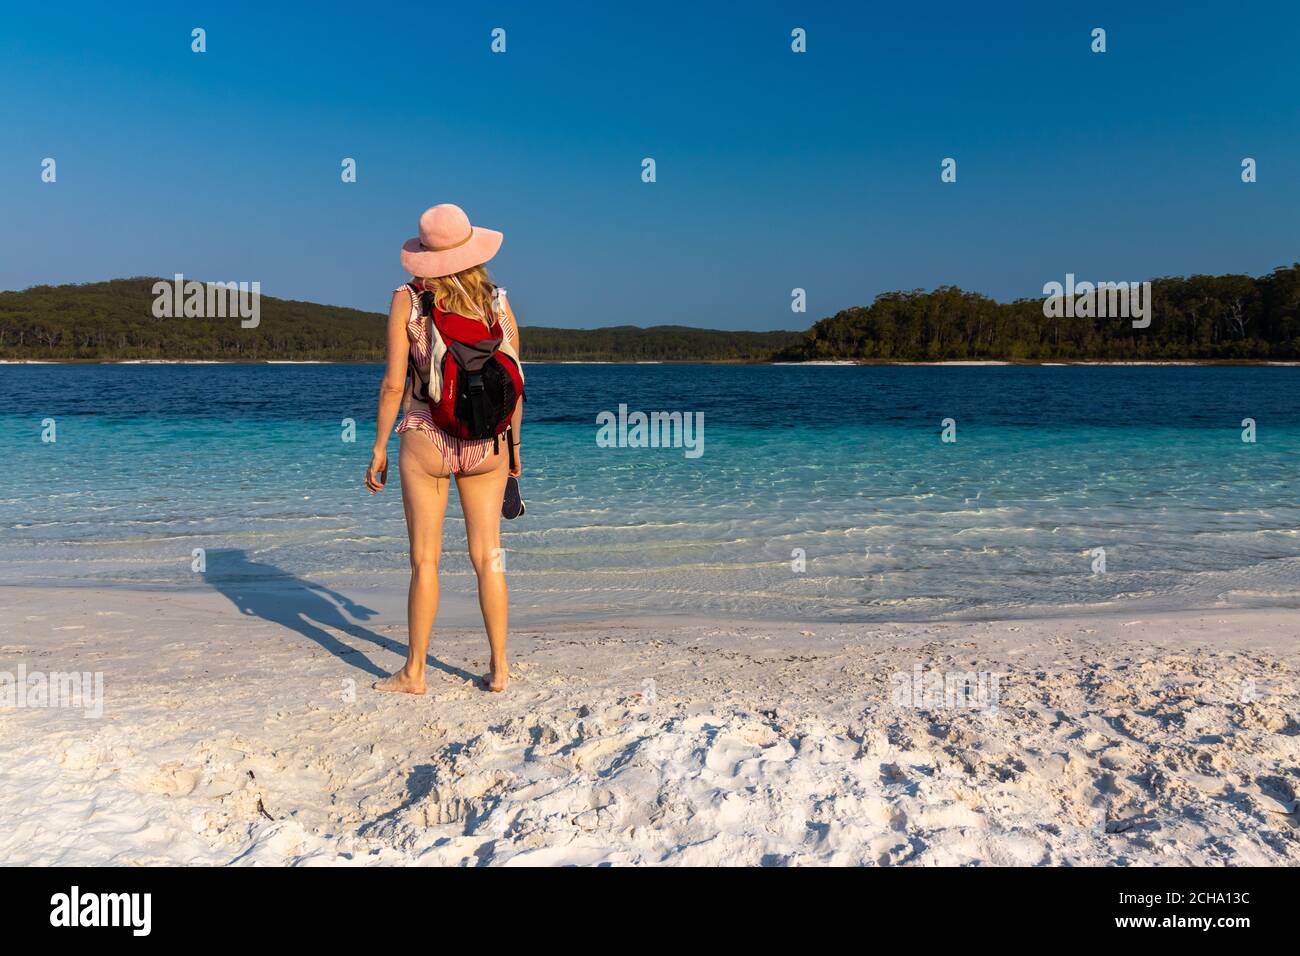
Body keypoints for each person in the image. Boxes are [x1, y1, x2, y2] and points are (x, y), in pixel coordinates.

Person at [365, 204, 523, 694]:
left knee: (425, 560)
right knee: (489, 556)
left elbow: (394, 384)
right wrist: (514, 451)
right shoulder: (496, 301)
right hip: (488, 445)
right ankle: (499, 670)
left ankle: (415, 673)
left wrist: (377, 448)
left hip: (425, 437)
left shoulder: (408, 299)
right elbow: (515, 382)